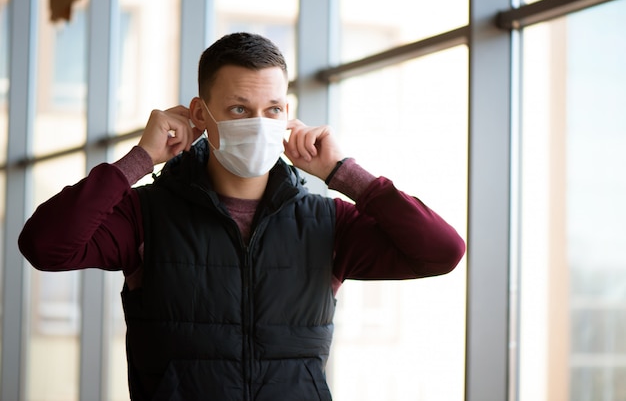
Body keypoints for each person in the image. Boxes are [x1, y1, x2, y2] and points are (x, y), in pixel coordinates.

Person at [18, 32, 465, 401]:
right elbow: (45, 245)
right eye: (238, 110)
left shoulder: (327, 222)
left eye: (271, 110)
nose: (258, 123)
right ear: (200, 115)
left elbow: (441, 251)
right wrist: (140, 158)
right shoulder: (146, 215)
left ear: (287, 115)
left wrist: (343, 173)